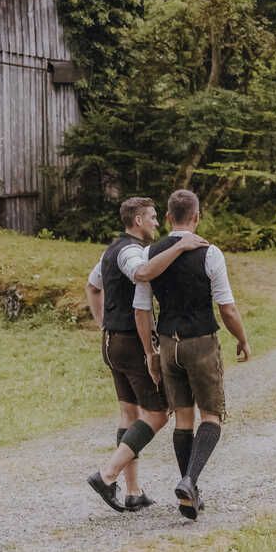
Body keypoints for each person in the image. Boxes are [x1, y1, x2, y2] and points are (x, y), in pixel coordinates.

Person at [86, 196, 208, 513]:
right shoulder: (130, 251)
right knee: (158, 412)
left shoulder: (109, 250)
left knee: (129, 415)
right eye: (152, 217)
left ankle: (133, 491)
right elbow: (142, 274)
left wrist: (101, 322)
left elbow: (92, 285)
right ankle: (107, 474)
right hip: (130, 342)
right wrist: (180, 247)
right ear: (138, 220)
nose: (157, 222)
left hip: (111, 342)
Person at [134, 189, 250, 520]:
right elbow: (226, 308)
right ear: (197, 217)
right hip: (201, 341)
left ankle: (189, 494)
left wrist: (150, 352)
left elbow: (142, 309)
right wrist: (242, 339)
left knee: (183, 419)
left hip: (169, 344)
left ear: (169, 217)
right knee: (211, 415)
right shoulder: (210, 253)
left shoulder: (150, 254)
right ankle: (189, 480)